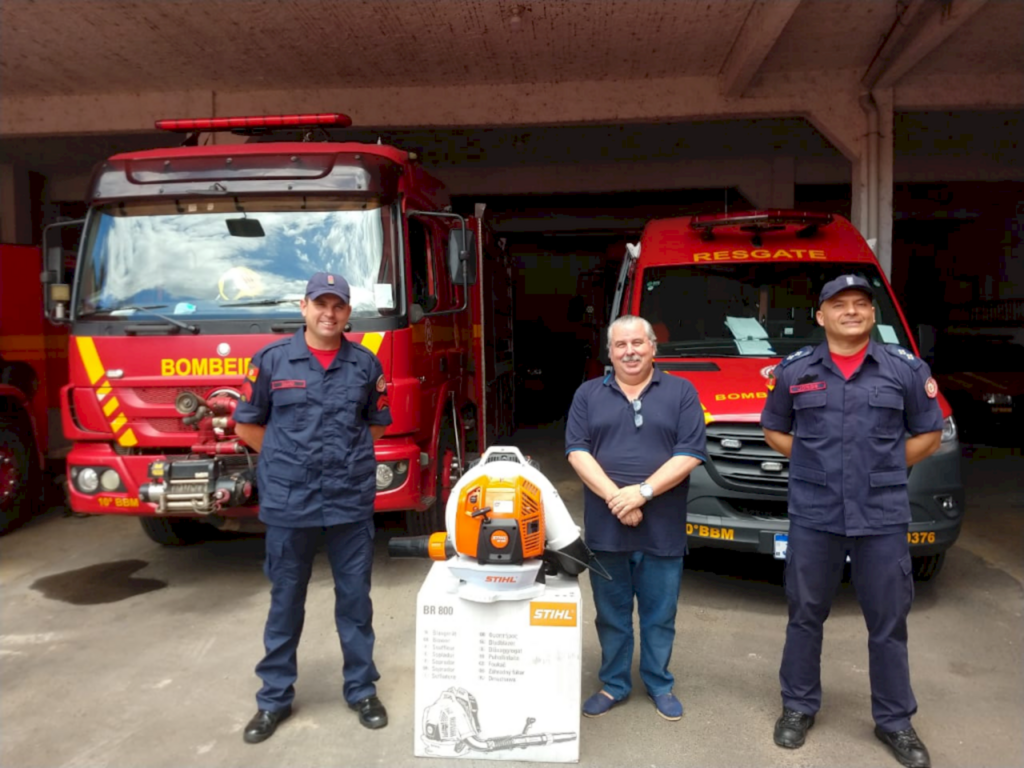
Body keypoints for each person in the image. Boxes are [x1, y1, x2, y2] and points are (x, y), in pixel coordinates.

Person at [761, 274, 943, 768]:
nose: (851, 311)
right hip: (815, 513)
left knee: (888, 622)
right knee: (805, 615)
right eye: (839, 305)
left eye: (861, 304)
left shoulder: (905, 369)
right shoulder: (795, 371)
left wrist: (884, 465)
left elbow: (929, 433)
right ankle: (797, 707)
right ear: (820, 316)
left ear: (872, 315)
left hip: (881, 515)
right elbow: (773, 427)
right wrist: (814, 460)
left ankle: (895, 721)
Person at [234, 272, 392, 744]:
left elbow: (376, 426)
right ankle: (274, 699)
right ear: (303, 307)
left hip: (348, 501)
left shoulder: (365, 364)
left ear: (347, 313)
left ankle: (362, 690)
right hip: (289, 502)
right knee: (285, 602)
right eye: (320, 304)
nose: (329, 313)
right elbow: (247, 426)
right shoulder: (271, 361)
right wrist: (290, 459)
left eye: (338, 305)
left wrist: (340, 460)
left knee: (355, 602)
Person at [565, 315, 706, 721]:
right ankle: (614, 684)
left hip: (662, 528)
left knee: (660, 613)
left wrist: (641, 493)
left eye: (637, 343)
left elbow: (691, 451)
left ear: (653, 348)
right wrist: (617, 499)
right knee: (611, 614)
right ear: (609, 352)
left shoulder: (681, 392)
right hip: (607, 528)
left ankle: (659, 682)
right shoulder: (588, 395)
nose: (629, 351)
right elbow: (577, 451)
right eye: (620, 345)